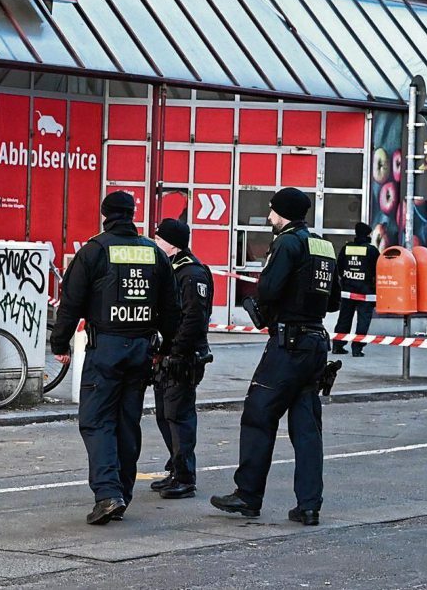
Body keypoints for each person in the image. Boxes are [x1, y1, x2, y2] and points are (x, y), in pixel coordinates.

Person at [211, 187, 340, 526]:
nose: (269, 217)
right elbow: (335, 301)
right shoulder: (323, 246)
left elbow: (267, 289)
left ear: (283, 213)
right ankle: (309, 505)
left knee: (258, 414)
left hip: (288, 344)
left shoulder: (286, 242)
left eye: (271, 211)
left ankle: (248, 495)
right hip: (315, 343)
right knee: (307, 428)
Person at [49, 191, 173, 525]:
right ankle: (123, 492)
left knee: (96, 420)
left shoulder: (94, 250)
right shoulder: (153, 252)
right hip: (141, 349)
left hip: (106, 348)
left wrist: (59, 343)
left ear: (105, 214)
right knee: (127, 423)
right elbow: (172, 307)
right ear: (132, 214)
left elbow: (71, 302)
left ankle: (108, 494)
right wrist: (164, 348)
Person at [149, 217, 213, 501]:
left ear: (172, 245)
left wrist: (176, 351)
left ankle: (185, 477)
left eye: (159, 239)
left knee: (179, 416)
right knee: (165, 414)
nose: (155, 243)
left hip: (183, 358)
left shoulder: (191, 273)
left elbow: (194, 318)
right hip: (167, 355)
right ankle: (176, 468)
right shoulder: (171, 269)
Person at [332, 222, 377, 357]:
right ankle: (357, 348)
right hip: (365, 292)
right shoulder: (371, 250)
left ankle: (337, 345)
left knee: (344, 318)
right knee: (363, 320)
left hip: (347, 291)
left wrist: (345, 280)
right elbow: (378, 269)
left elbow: (339, 266)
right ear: (368, 234)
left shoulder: (346, 248)